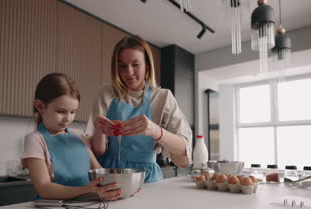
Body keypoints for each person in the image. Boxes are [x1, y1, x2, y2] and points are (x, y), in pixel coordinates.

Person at [86, 35, 193, 183]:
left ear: (147, 65)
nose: (129, 72)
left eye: (135, 64)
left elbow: (184, 153)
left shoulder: (162, 97)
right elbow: (97, 151)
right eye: (122, 66)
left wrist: (155, 131)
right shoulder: (105, 94)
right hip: (110, 175)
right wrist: (99, 130)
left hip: (147, 177)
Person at [22, 73, 121, 200]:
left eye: (73, 112)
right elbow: (44, 188)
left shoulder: (79, 136)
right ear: (40, 106)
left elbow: (100, 173)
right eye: (60, 111)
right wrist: (86, 192)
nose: (68, 118)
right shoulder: (35, 139)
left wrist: (123, 187)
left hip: (87, 206)